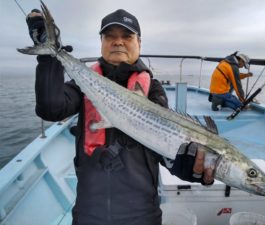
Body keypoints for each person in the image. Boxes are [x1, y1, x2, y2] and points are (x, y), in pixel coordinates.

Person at [26, 8, 215, 225]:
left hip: (142, 214)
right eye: (110, 36)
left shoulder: (152, 90)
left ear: (139, 44)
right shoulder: (84, 83)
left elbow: (165, 149)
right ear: (102, 42)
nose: (118, 42)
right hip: (89, 213)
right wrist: (49, 57)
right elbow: (50, 108)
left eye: (127, 36)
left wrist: (194, 169)